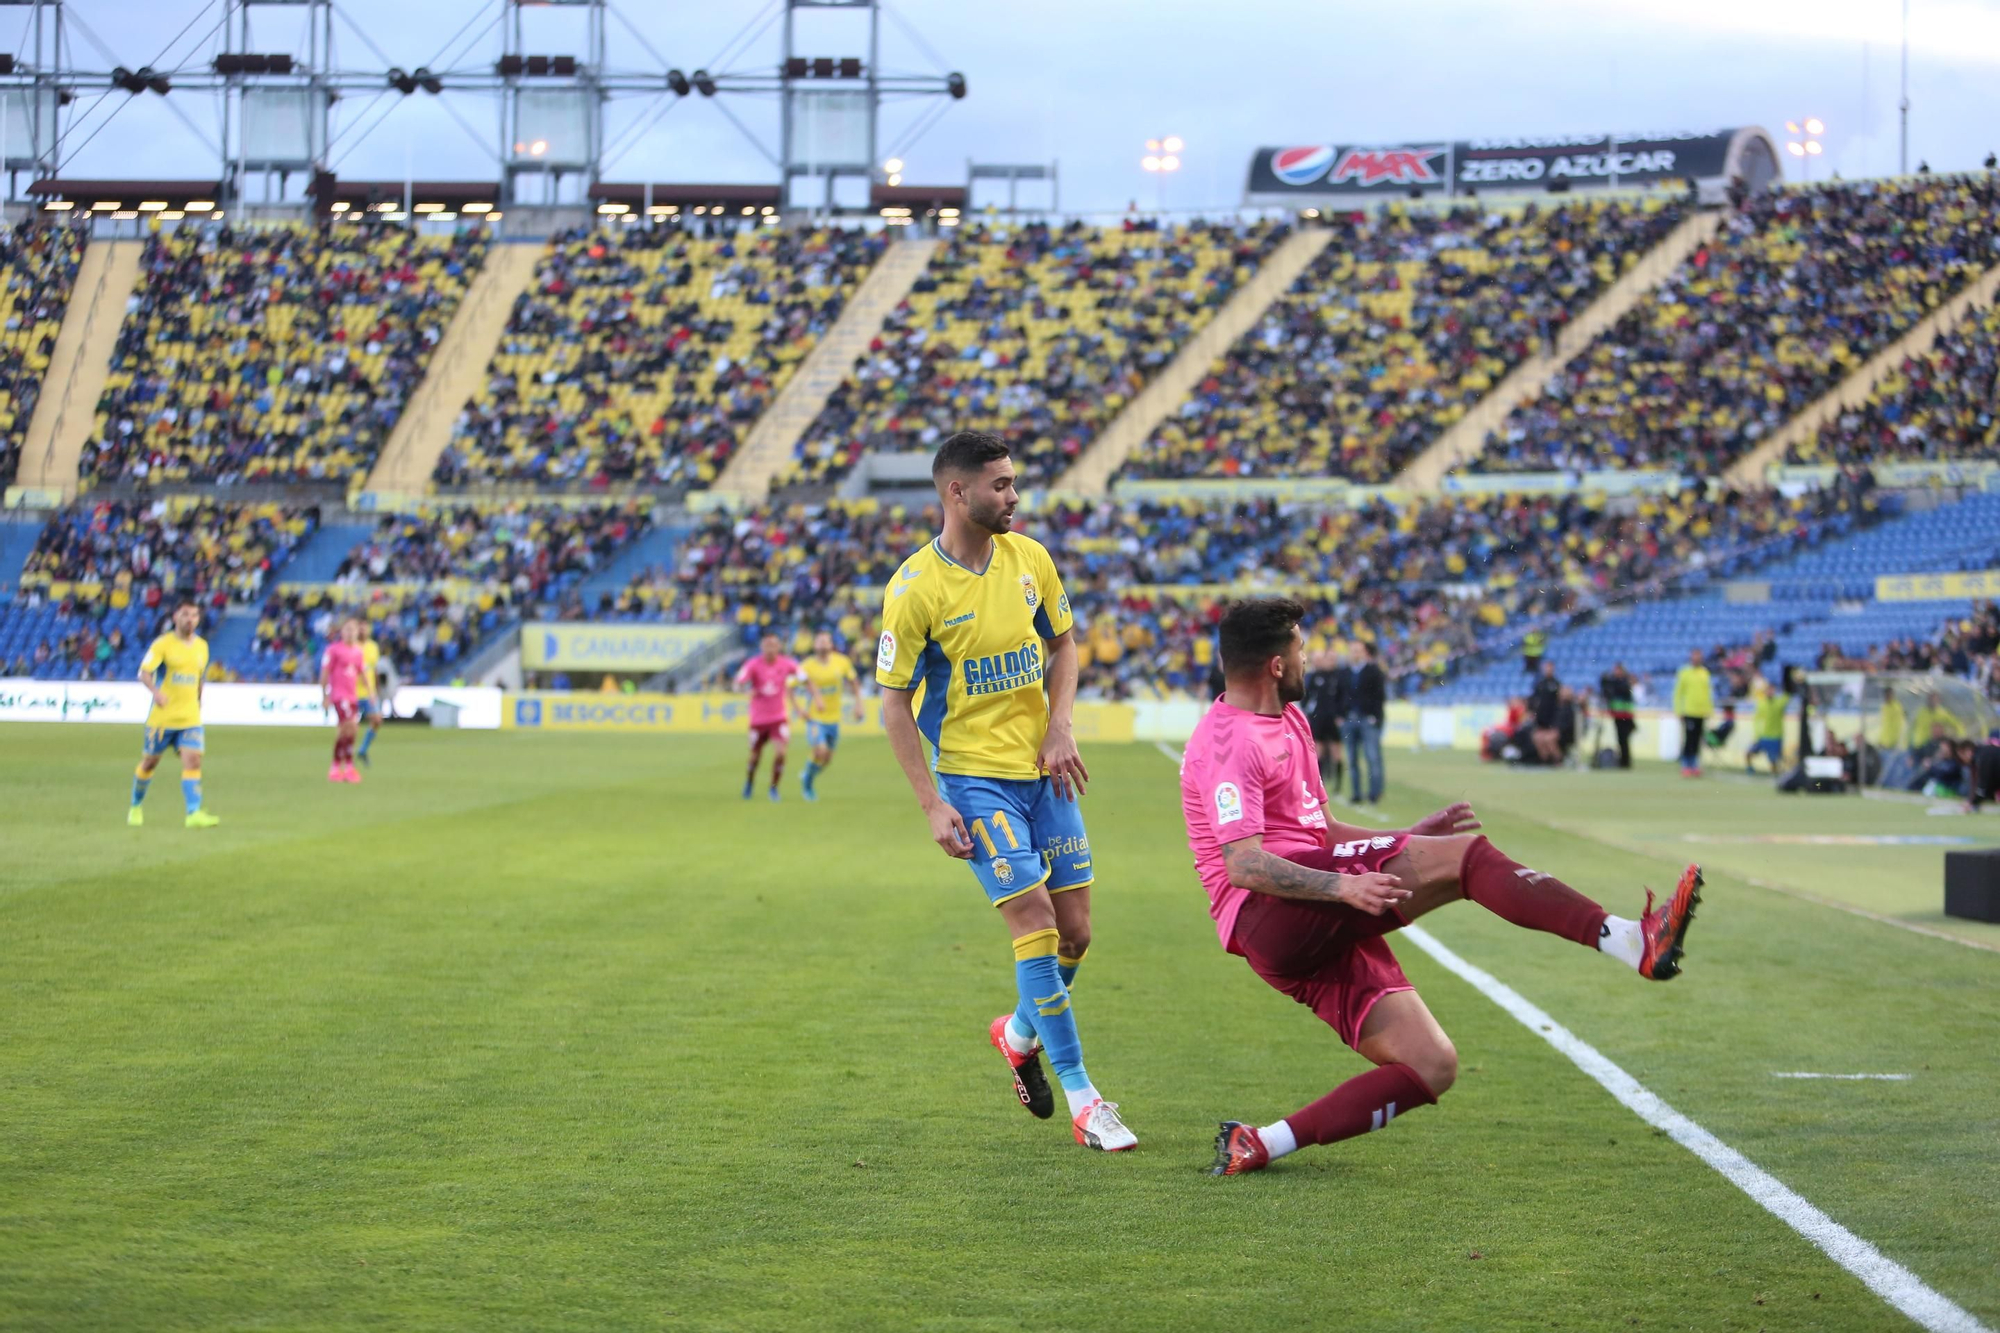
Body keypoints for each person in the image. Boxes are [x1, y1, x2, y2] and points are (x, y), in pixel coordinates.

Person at [1181, 598, 1703, 1177]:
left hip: (1309, 907)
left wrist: (1404, 839)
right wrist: (1342, 887)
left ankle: (1260, 1143)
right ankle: (1631, 940)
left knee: (1431, 1063)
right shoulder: (1228, 741)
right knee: (1467, 860)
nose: (1309, 659)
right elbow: (1245, 865)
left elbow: (1320, 831)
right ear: (1277, 664)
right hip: (1269, 913)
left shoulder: (1291, 720)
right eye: (1301, 649)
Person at [877, 430, 1134, 1153]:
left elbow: (1065, 644)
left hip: (1043, 773)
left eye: (1014, 482)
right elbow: (894, 702)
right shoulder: (913, 589)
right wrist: (933, 802)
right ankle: (1085, 1096)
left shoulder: (1031, 559)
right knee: (1035, 921)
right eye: (1000, 485)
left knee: (1077, 930)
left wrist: (1062, 726)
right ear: (956, 492)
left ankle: (1018, 1034)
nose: (1014, 496)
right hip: (975, 778)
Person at [129, 600, 220, 828]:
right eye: (186, 614)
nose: (190, 619)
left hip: (190, 717)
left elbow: (199, 677)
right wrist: (156, 693)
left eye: (194, 615)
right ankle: (135, 806)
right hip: (163, 718)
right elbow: (144, 673)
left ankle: (193, 813)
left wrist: (199, 701)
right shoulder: (163, 644)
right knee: (149, 763)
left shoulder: (202, 646)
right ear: (175, 617)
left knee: (193, 760)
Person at [736, 633, 811, 801]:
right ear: (762, 647)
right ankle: (749, 782)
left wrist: (811, 698)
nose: (770, 649)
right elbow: (739, 682)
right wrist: (744, 690)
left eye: (773, 645)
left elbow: (805, 678)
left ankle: (774, 788)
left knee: (781, 754)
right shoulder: (753, 664)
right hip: (758, 719)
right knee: (755, 757)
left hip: (778, 718)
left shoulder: (786, 664)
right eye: (767, 645)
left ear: (778, 647)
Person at [796, 629, 863, 801]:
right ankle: (807, 786)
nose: (822, 644)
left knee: (826, 759)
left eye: (826, 641)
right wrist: (798, 708)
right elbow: (789, 685)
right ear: (814, 645)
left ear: (831, 644)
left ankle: (807, 773)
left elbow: (853, 681)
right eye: (819, 641)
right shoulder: (806, 666)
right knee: (820, 750)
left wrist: (858, 704)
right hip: (815, 718)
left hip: (834, 719)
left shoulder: (842, 662)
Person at [320, 618, 367, 784]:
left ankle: (337, 768)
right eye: (347, 629)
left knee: (347, 731)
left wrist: (371, 693)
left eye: (353, 630)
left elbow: (362, 672)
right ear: (342, 632)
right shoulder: (333, 650)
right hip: (339, 696)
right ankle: (347, 766)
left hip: (352, 696)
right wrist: (324, 695)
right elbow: (325, 673)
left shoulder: (359, 652)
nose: (350, 633)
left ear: (357, 632)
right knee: (350, 726)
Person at [1343, 640, 1386, 804]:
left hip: (1368, 719)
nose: (1356, 654)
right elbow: (1340, 694)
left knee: (1372, 757)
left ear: (1364, 653)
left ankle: (1375, 793)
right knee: (1352, 758)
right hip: (1349, 719)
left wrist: (1376, 717)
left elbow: (1380, 696)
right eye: (1353, 651)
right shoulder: (1345, 672)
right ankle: (1356, 794)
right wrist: (1341, 715)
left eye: (1358, 651)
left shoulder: (1374, 671)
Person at [1300, 647, 1348, 792]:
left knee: (1336, 752)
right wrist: (1309, 712)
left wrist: (1341, 715)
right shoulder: (1316, 676)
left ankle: (1338, 785)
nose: (1330, 662)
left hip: (1333, 719)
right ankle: (1320, 783)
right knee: (1318, 751)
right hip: (1319, 718)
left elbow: (1344, 698)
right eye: (1329, 658)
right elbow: (1306, 695)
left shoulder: (1339, 677)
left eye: (1334, 659)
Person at [1673, 649, 1713, 778]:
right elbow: (1678, 693)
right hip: (1689, 711)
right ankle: (1686, 764)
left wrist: (1709, 709)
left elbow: (1707, 693)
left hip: (1701, 712)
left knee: (1697, 740)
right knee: (1689, 739)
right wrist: (1679, 710)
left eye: (1699, 656)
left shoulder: (1705, 673)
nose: (1697, 658)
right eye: (1695, 656)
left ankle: (1695, 764)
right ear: (1691, 657)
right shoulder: (1685, 673)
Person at [355, 620, 384, 766]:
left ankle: (362, 750)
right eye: (360, 629)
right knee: (349, 726)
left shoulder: (373, 646)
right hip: (352, 691)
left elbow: (375, 669)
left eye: (364, 628)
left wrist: (377, 688)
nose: (362, 631)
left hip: (369, 692)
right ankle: (345, 754)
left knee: (377, 720)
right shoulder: (352, 646)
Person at [1746, 679, 1789, 774]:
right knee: (1748, 753)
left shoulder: (1779, 703)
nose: (1770, 692)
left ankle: (1777, 774)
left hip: (1775, 736)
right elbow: (1757, 720)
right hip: (1762, 737)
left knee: (1773, 761)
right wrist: (1756, 735)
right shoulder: (1761, 704)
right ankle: (1750, 769)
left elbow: (1787, 695)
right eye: (1768, 690)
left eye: (1772, 690)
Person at [1600, 663, 1636, 769]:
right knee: (1621, 739)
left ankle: (1625, 761)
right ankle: (1624, 761)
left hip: (1625, 715)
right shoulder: (1617, 682)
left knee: (1623, 739)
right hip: (1618, 714)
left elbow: (1619, 691)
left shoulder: (1624, 682)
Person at [1529, 661, 1562, 765]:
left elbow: (1559, 703)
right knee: (1538, 740)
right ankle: (1545, 762)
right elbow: (1533, 700)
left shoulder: (1557, 684)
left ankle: (1558, 761)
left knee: (1550, 741)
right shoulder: (1539, 684)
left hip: (1553, 720)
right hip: (1541, 720)